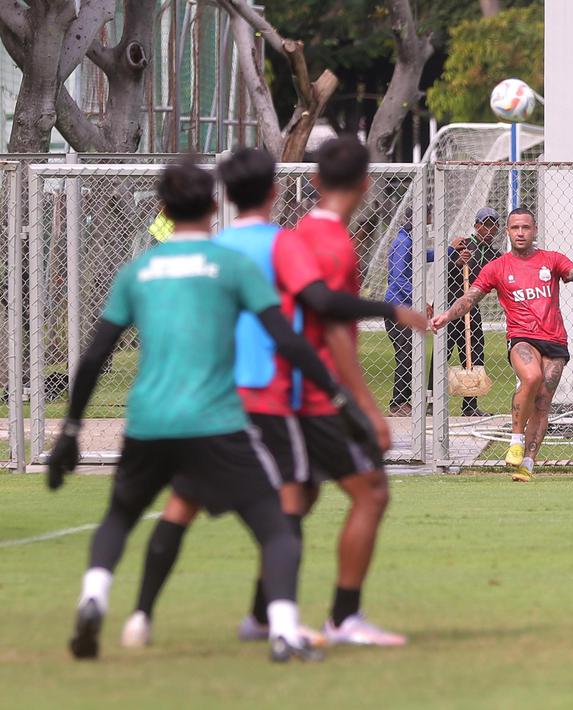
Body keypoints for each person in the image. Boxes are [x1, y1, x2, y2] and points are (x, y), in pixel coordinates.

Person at [47, 159, 378, 663]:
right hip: (218, 421)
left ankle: (95, 595)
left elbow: (94, 355)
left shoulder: (139, 271)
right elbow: (287, 339)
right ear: (212, 203)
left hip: (148, 422)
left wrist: (70, 429)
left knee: (119, 516)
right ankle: (283, 630)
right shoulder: (231, 266)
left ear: (163, 208)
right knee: (275, 523)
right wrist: (338, 400)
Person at [117, 147, 428, 649]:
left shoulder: (292, 234)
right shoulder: (325, 243)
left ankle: (251, 616)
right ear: (368, 184)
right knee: (369, 492)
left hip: (256, 388)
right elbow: (328, 324)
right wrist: (365, 405)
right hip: (306, 395)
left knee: (275, 496)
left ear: (309, 179)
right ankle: (341, 618)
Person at [430, 207, 573, 481]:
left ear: (534, 230)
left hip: (554, 341)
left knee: (542, 403)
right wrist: (447, 315)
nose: (520, 232)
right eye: (515, 228)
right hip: (522, 338)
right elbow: (470, 297)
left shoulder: (551, 260)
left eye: (525, 227)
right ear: (507, 231)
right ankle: (515, 441)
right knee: (531, 376)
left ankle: (528, 462)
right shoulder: (498, 267)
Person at [436, 207, 505, 417]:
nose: (489, 229)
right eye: (485, 224)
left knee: (474, 354)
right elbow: (441, 273)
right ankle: (431, 401)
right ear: (477, 226)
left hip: (472, 310)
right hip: (451, 306)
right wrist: (456, 262)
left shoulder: (495, 255)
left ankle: (470, 406)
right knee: (442, 353)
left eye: (493, 225)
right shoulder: (463, 245)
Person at [384, 206, 436, 416]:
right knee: (407, 354)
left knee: (411, 353)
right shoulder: (403, 243)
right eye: (429, 218)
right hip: (398, 308)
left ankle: (404, 400)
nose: (430, 222)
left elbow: (425, 255)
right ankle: (398, 403)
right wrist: (420, 300)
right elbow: (398, 279)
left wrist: (449, 249)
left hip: (404, 307)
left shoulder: (410, 240)